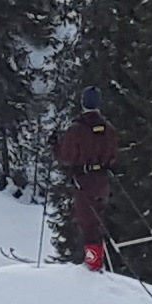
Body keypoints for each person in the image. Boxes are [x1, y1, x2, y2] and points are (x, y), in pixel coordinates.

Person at [51, 90, 118, 268]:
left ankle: (93, 264)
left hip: (85, 181)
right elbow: (113, 156)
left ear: (82, 103)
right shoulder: (108, 128)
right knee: (98, 220)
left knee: (87, 223)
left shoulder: (77, 129)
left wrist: (55, 146)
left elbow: (67, 156)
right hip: (103, 180)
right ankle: (98, 261)